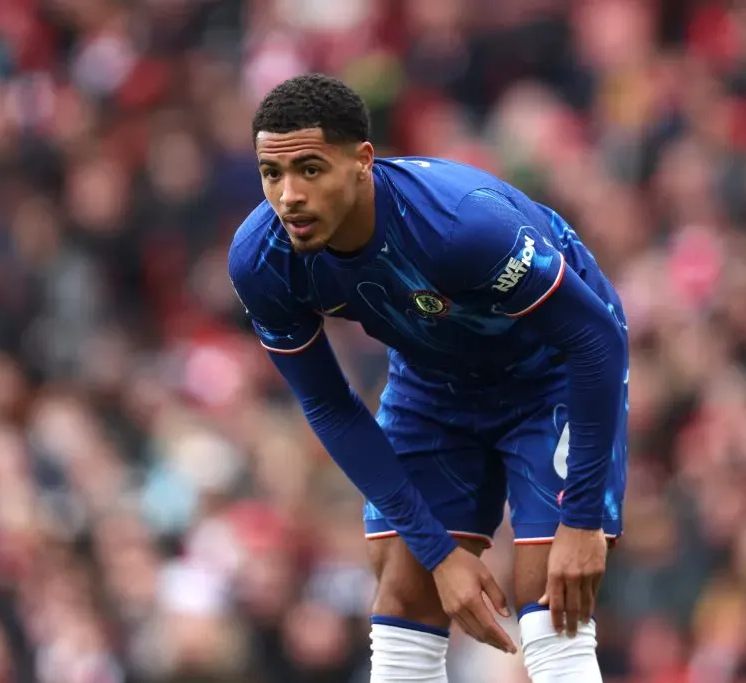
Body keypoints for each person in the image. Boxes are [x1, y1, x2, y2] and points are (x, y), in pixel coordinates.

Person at [228, 73, 628, 683]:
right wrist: (439, 554)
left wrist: (582, 519)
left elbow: (595, 338)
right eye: (271, 173)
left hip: (546, 374)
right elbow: (330, 406)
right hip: (433, 384)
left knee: (551, 596)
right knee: (404, 591)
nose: (289, 197)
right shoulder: (261, 260)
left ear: (362, 161)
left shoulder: (460, 224)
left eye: (310, 169)